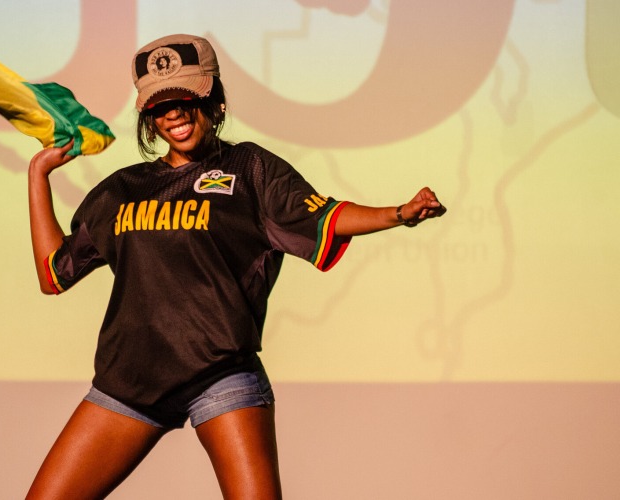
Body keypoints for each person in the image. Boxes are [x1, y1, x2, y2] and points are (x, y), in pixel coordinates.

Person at [25, 34, 446, 499]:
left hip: (220, 375)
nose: (175, 115)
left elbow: (324, 216)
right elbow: (53, 274)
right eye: (160, 107)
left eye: (188, 100)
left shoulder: (251, 170)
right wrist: (38, 175)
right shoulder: (121, 189)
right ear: (148, 117)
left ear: (215, 101)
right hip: (129, 382)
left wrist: (398, 214)